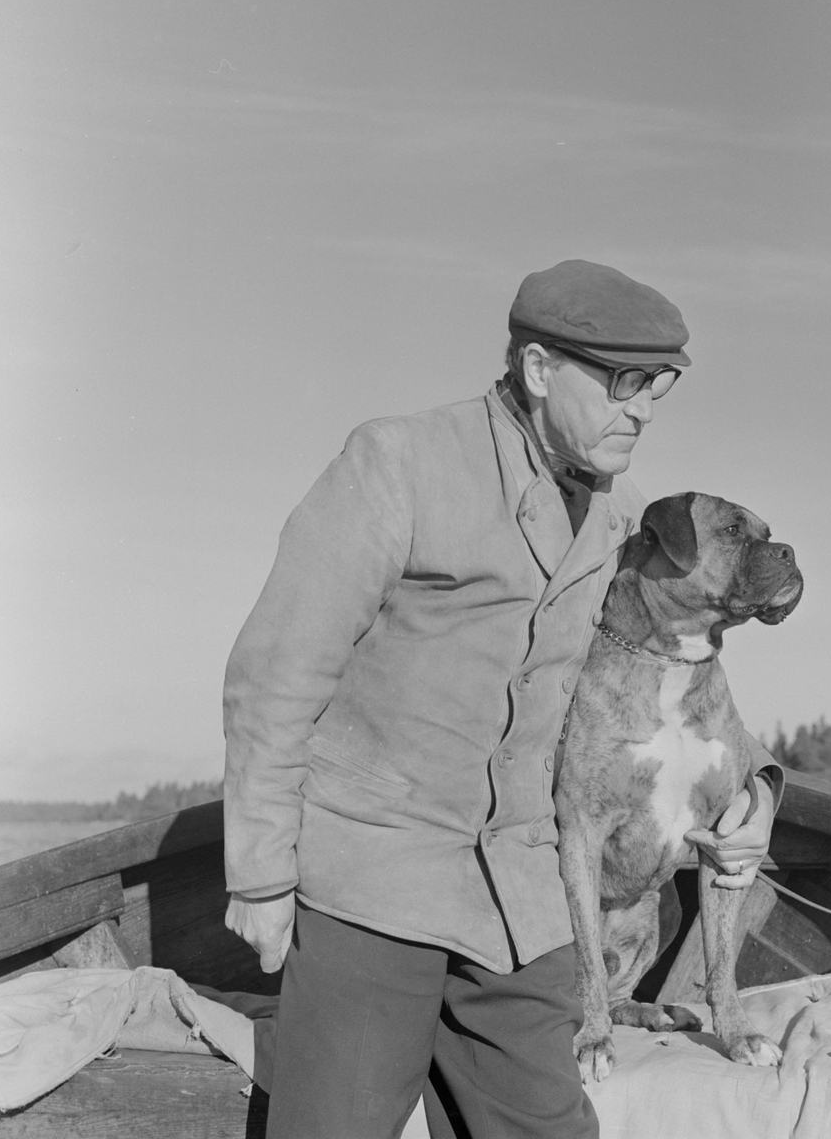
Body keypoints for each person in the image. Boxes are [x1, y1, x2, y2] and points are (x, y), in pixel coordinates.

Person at [223, 259, 783, 1139]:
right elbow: (276, 674)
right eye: (623, 382)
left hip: (522, 905)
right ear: (538, 369)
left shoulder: (625, 519)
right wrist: (260, 877)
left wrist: (755, 791)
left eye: (658, 386)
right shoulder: (399, 462)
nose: (642, 409)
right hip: (377, 882)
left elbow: (679, 673)